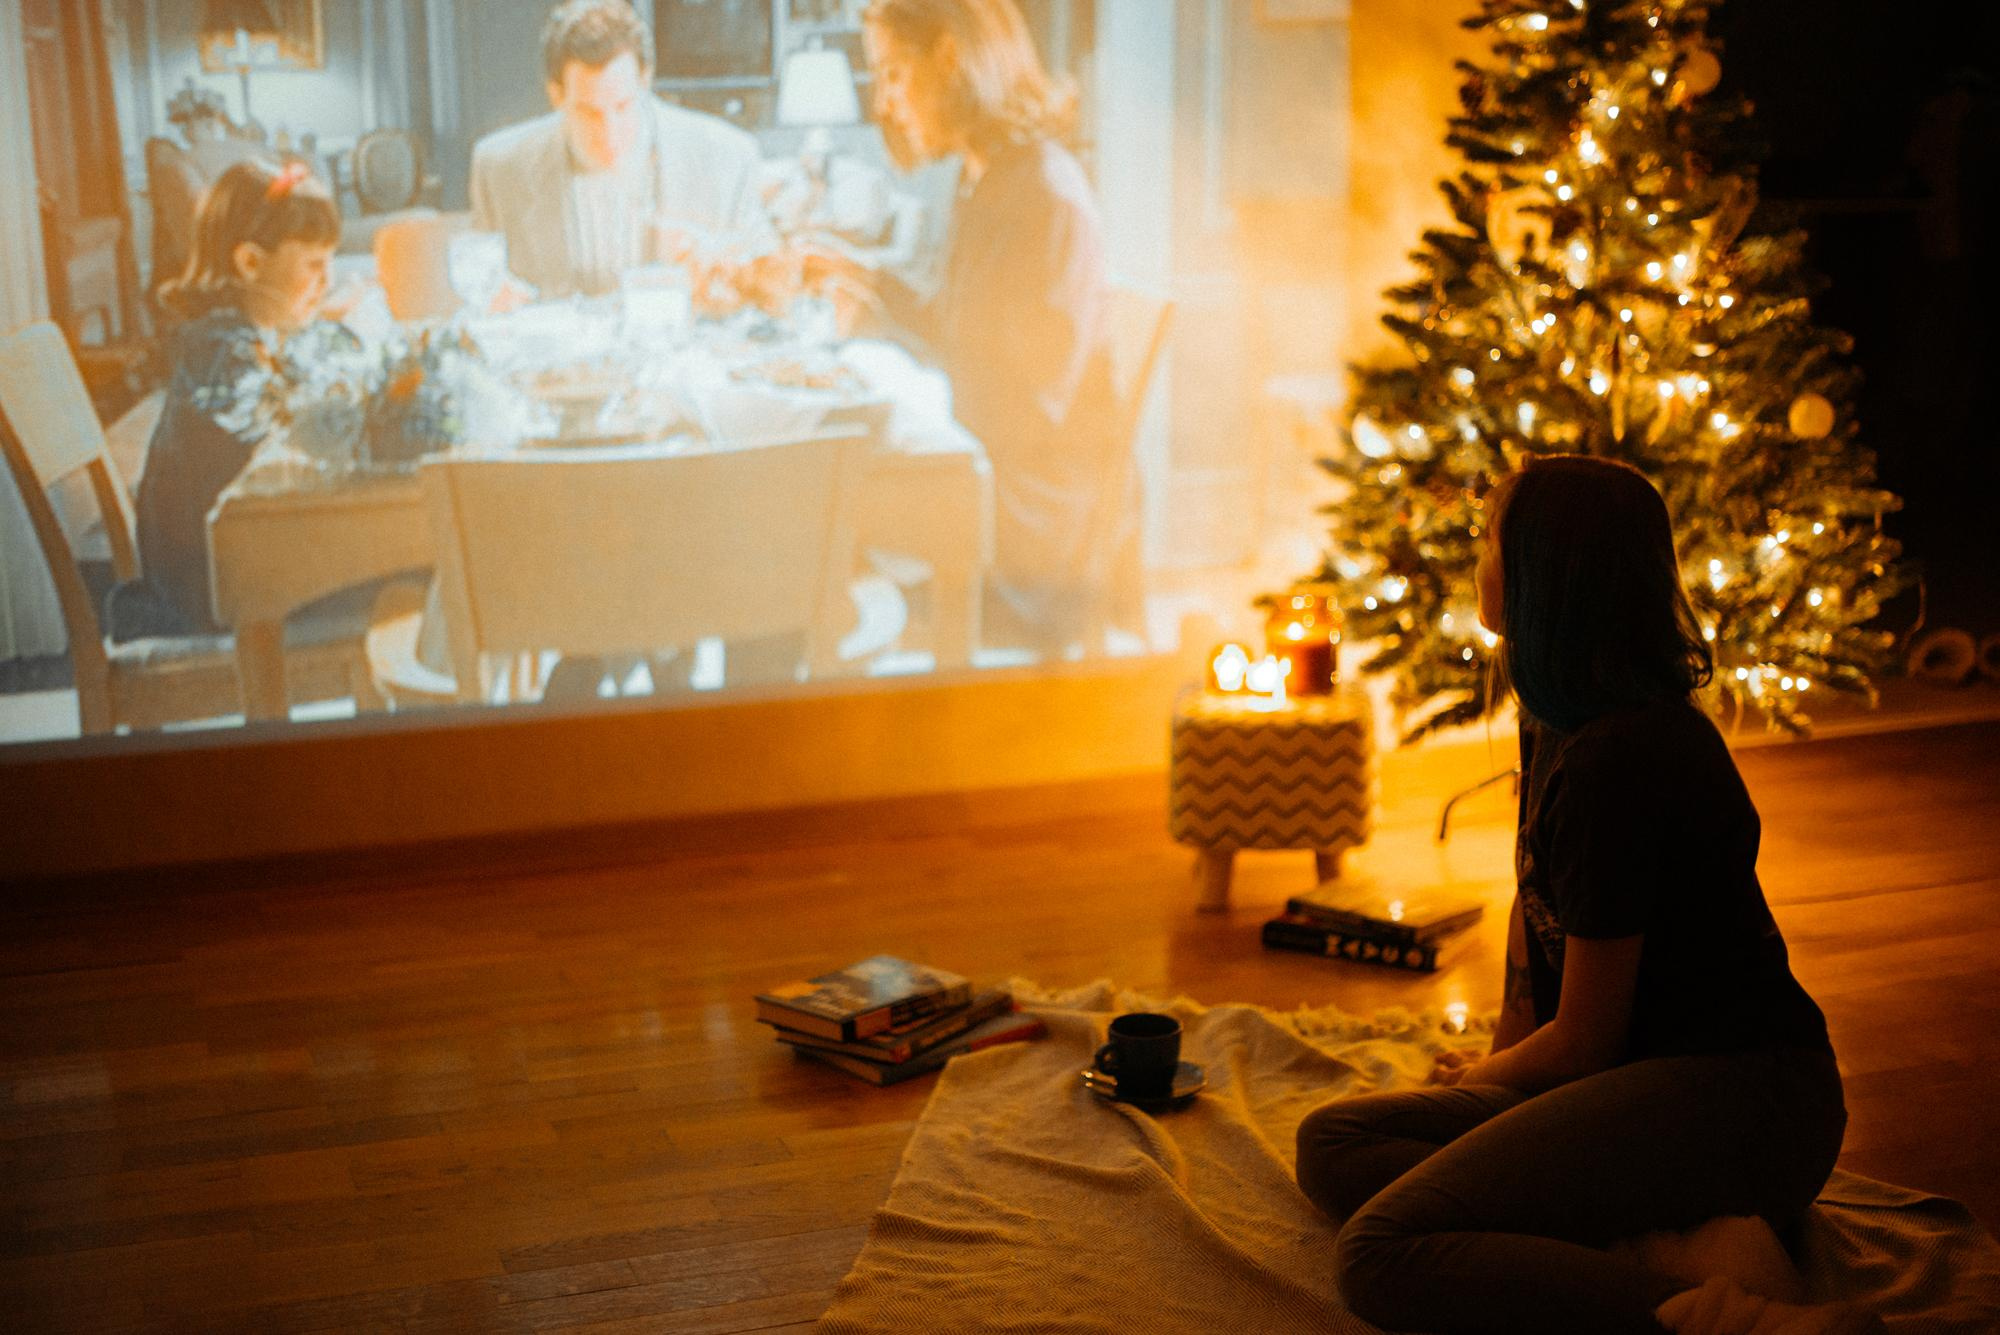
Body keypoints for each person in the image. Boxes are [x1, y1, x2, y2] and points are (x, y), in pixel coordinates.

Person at [1292, 456, 1882, 1335]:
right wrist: (1502, 1056)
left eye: (1489, 544)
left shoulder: (1623, 757)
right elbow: (1538, 904)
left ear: (1543, 575)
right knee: (1333, 1143)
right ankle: (1657, 1237)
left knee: (1379, 1250)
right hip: (1628, 1077)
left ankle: (1744, 1319)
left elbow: (1585, 1039)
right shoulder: (1553, 713)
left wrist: (1490, 1082)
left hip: (1742, 1098)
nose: (1476, 565)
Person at [846, 0, 1123, 656]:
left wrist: (887, 381)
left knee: (817, 522)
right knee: (817, 508)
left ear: (950, 58)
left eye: (893, 74)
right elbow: (962, 331)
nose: (884, 103)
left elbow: (1018, 409)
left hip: (1030, 534)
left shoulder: (1046, 197)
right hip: (988, 483)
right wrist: (861, 278)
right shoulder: (989, 176)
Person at [124, 159, 356, 637]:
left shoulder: (233, 336)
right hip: (214, 593)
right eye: (314, 264)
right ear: (250, 263)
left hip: (232, 566)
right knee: (401, 575)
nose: (328, 282)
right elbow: (276, 430)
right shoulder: (220, 354)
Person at [469, 0, 775, 300]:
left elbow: (772, 293)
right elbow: (483, 293)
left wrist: (732, 273)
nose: (609, 133)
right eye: (589, 113)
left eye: (623, 106)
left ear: (645, 80)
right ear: (556, 94)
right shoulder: (499, 171)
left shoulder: (727, 160)